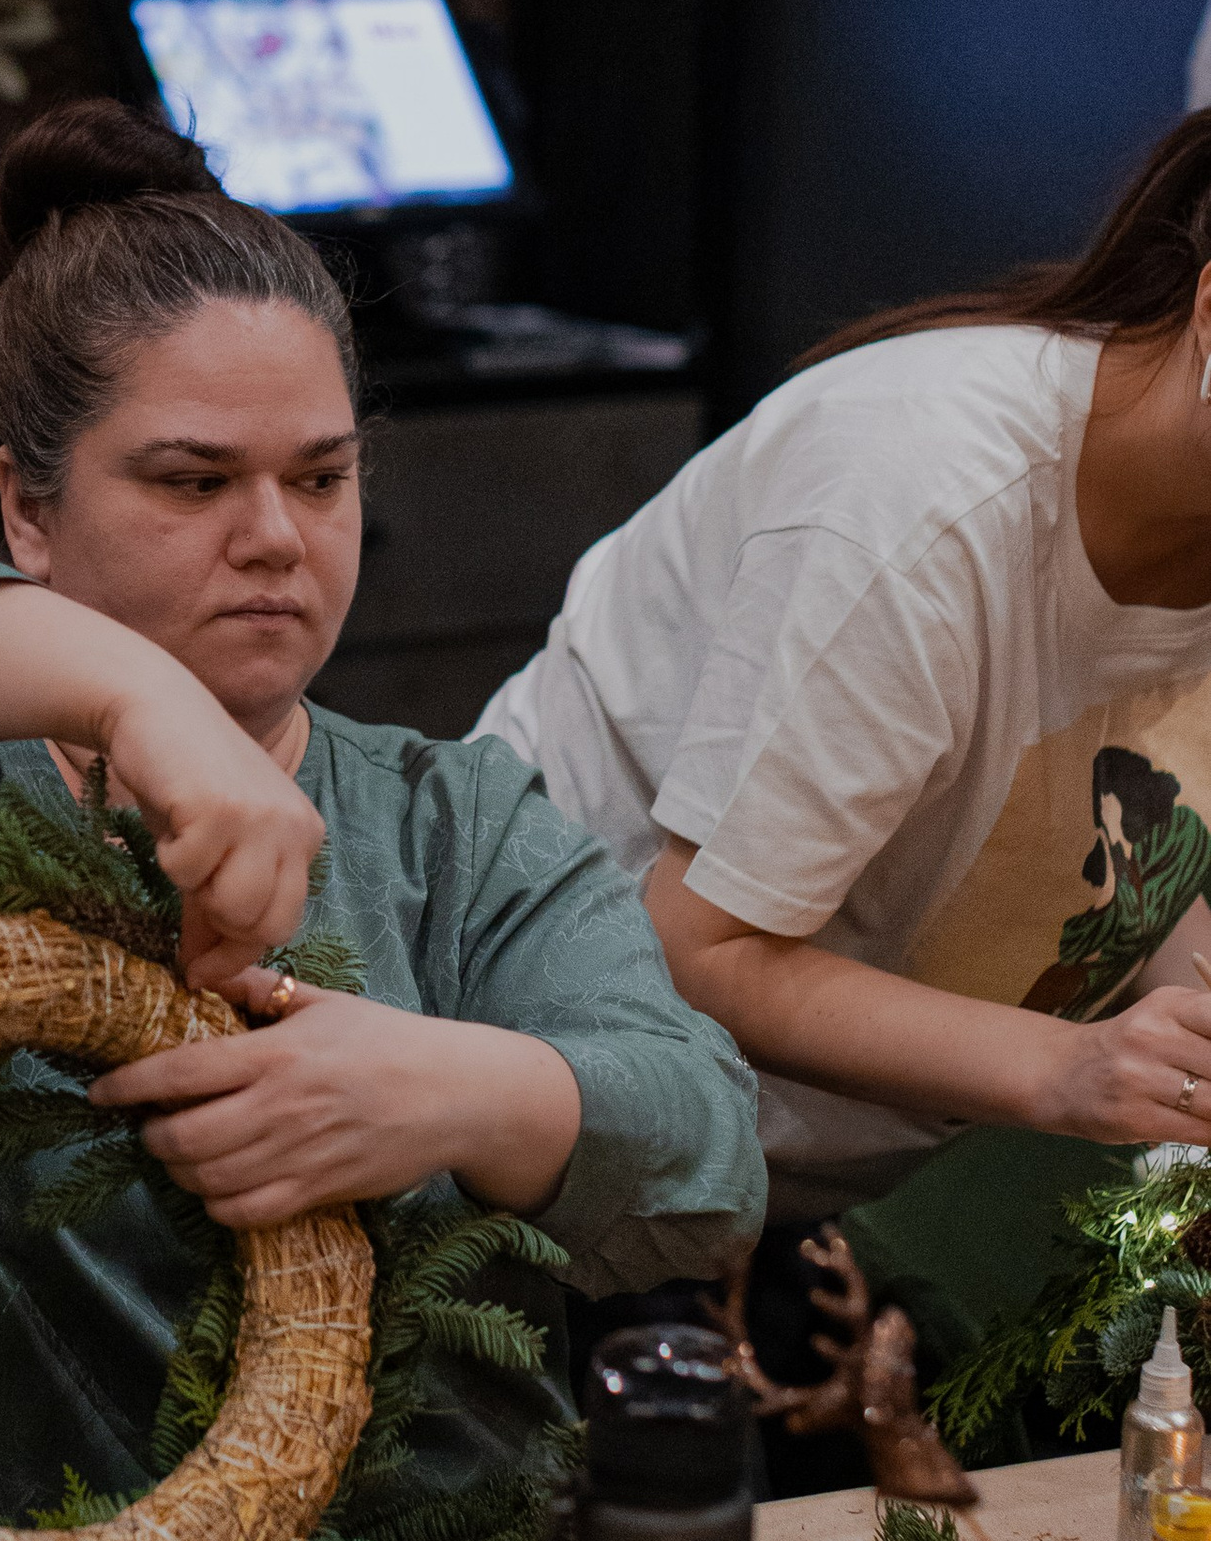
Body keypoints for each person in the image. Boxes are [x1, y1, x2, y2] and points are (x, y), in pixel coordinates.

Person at [0, 100, 764, 1531]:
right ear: (27, 506)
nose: (276, 534)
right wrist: (132, 697)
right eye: (193, 480)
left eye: (321, 477)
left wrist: (454, 1092)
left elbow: (708, 1149)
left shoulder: (455, 825)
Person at [477, 115, 1211, 1237]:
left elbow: (1139, 845)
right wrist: (1073, 1069)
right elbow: (697, 948)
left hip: (879, 1186)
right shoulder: (921, 497)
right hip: (577, 1134)